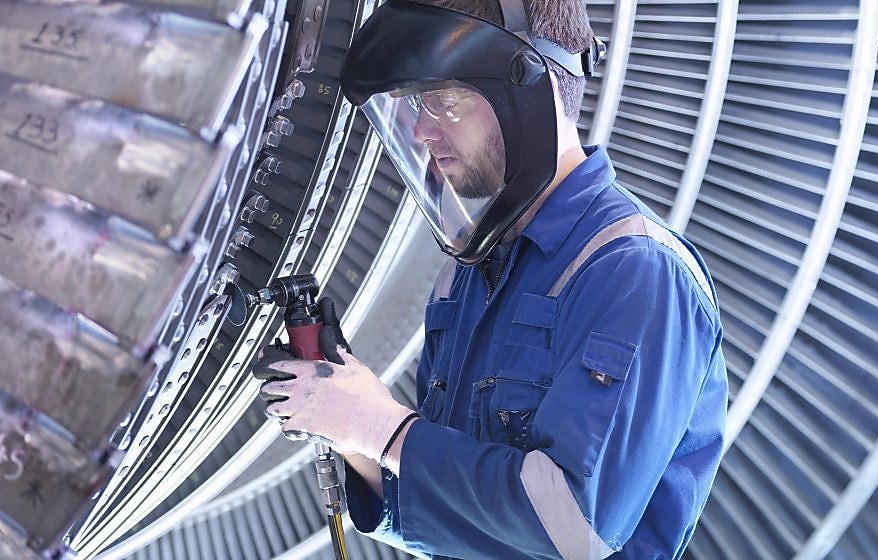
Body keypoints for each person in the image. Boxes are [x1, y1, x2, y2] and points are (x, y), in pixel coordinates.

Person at [253, 0, 727, 558]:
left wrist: (381, 428)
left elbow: (573, 529)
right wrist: (351, 427)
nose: (424, 130)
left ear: (534, 92)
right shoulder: (468, 274)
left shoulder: (636, 274)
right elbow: (462, 513)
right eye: (417, 105)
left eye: (447, 102)